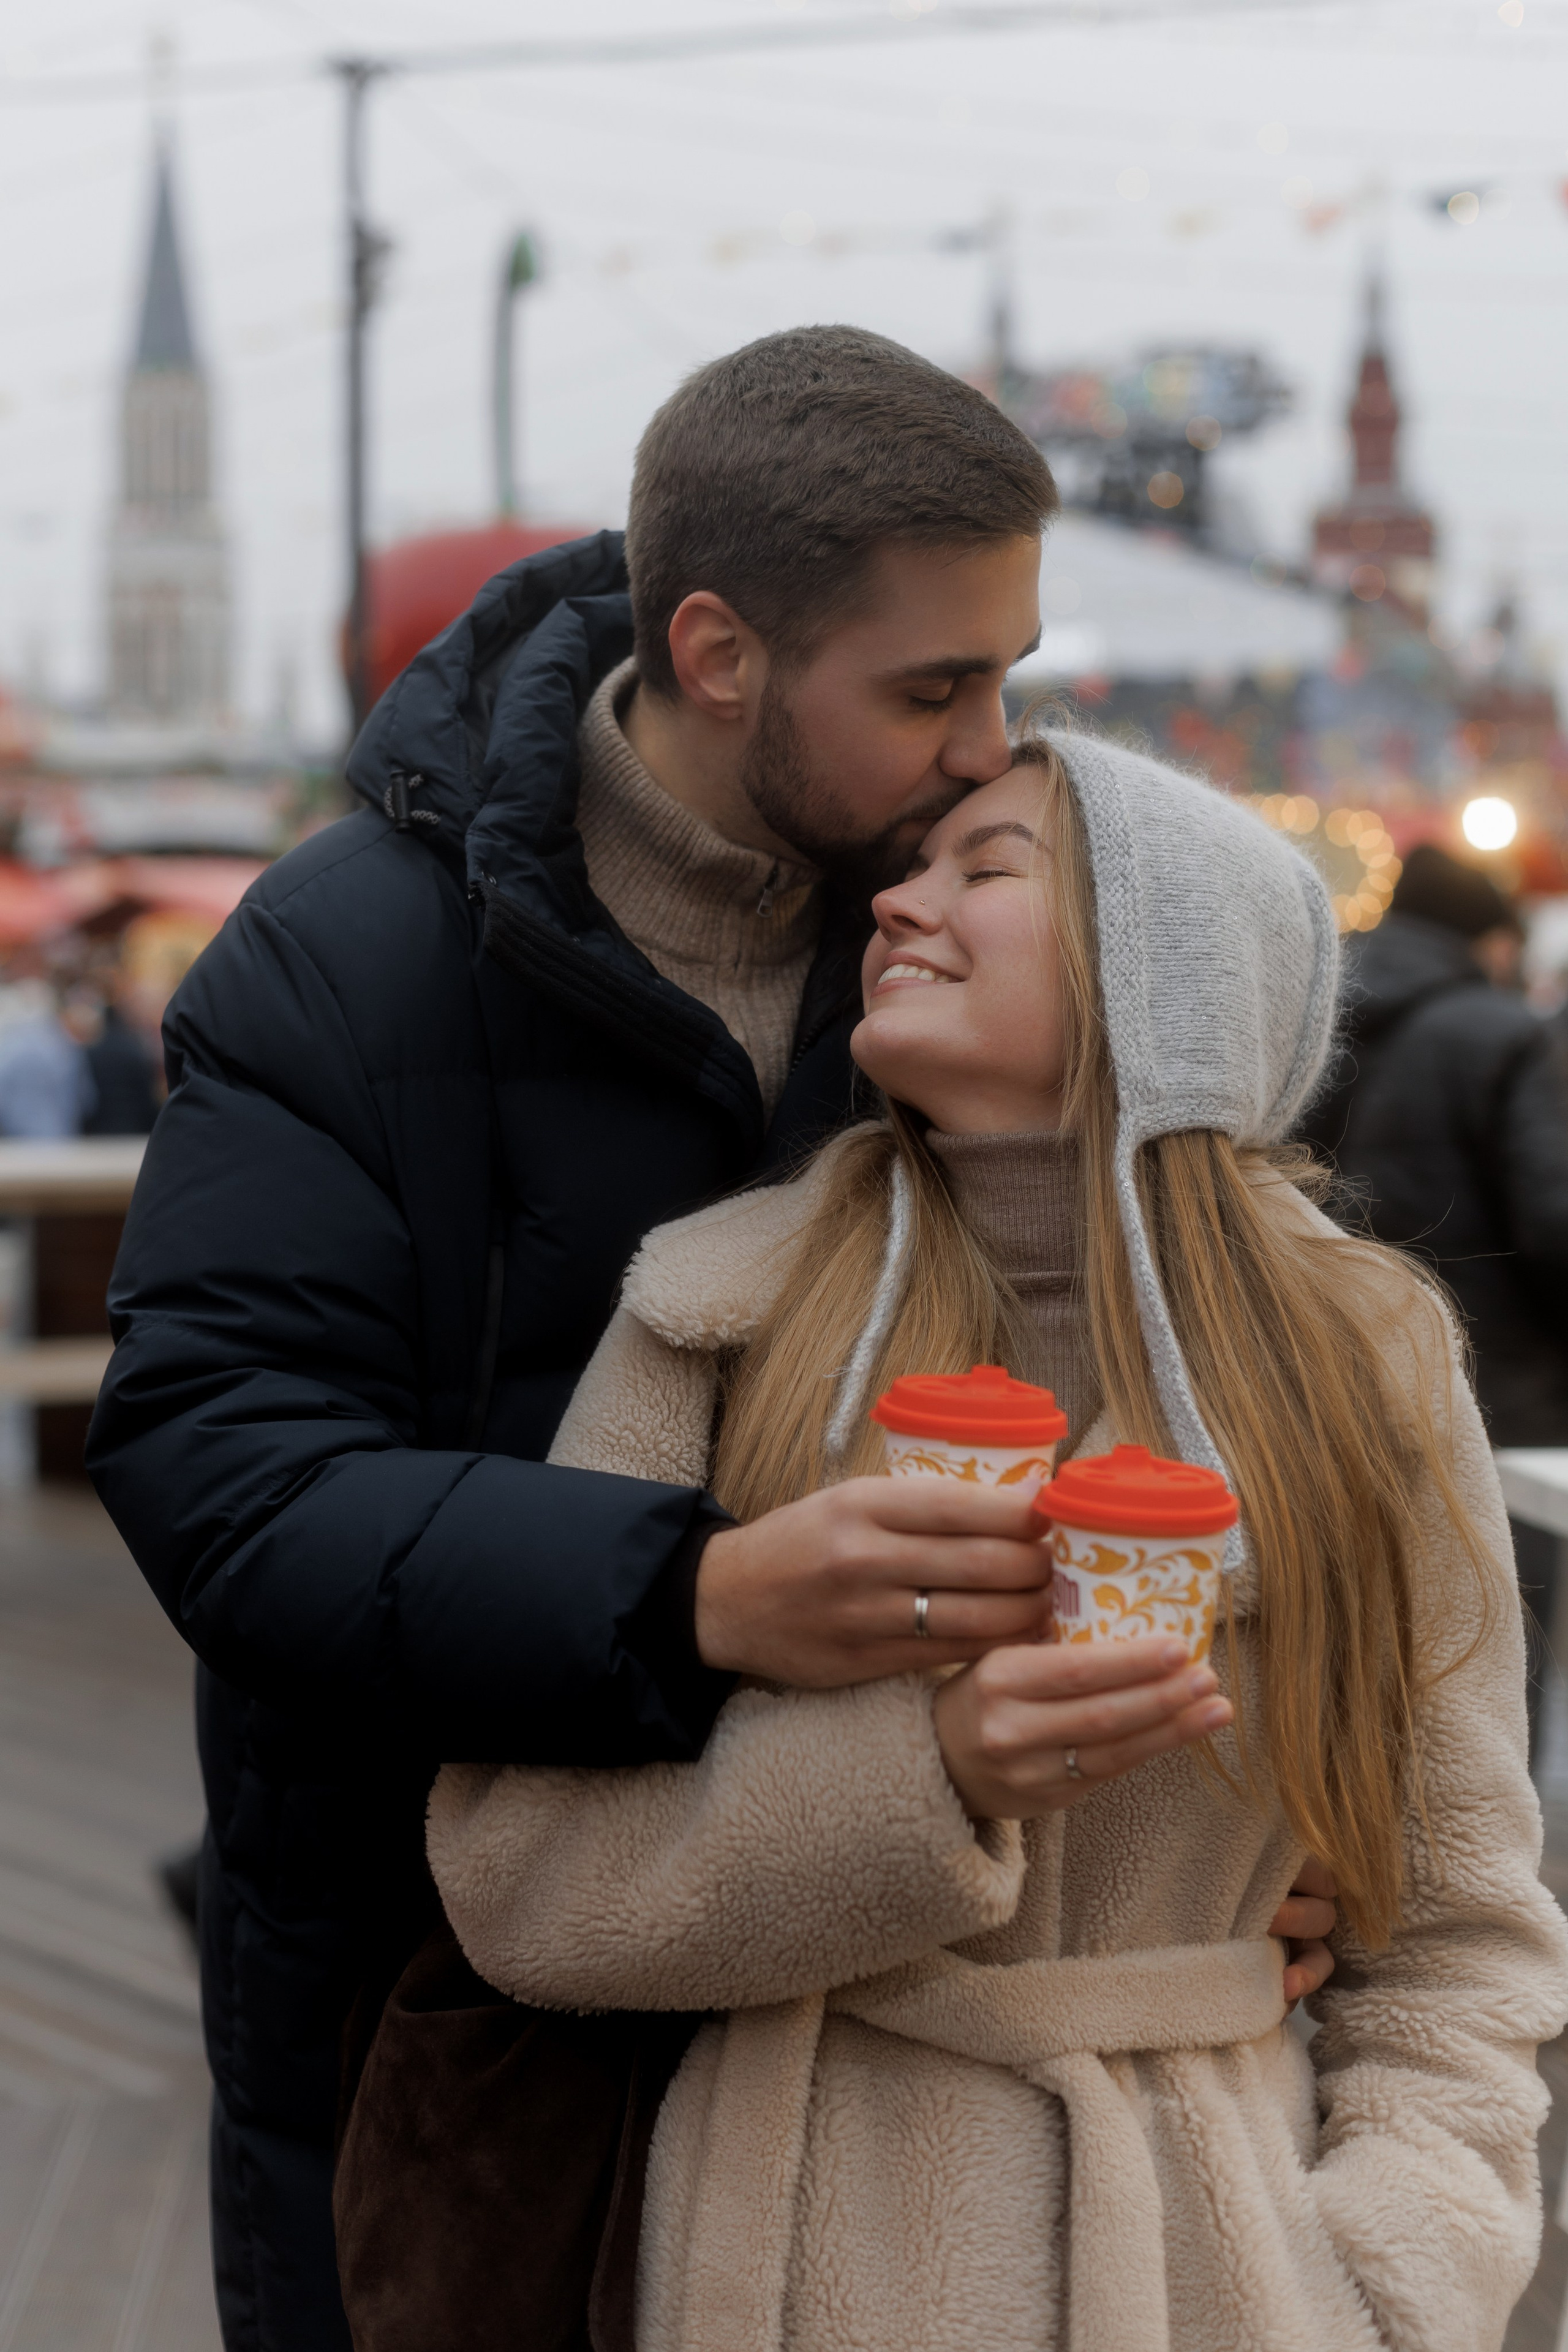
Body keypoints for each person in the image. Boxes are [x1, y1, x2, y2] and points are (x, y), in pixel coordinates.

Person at [86, 326, 1324, 2351]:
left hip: (901, 2063)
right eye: (934, 687)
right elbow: (222, 1474)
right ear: (722, 650)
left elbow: (1183, 1400)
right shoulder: (338, 960)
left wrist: (1246, 1844)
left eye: (1008, 681)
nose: (983, 746)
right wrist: (699, 1594)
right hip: (447, 2033)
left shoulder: (965, 939)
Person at [417, 732, 1568, 2352]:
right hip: (791, 2251)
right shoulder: (713, 1313)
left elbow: (1461, 1923)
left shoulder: (1360, 1362)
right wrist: (930, 1774)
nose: (896, 905)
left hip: (1226, 2273)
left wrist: (1393, 2286)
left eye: (988, 867)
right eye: (911, 867)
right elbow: (526, 1880)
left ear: (1161, 968)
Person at [1302, 841, 1568, 1760]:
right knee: (1490, 1655)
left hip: (1326, 1373)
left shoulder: (1312, 1018)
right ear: (1486, 940)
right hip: (1497, 1390)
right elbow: (1554, 1219)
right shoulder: (1501, 1032)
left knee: (1353, 1652)